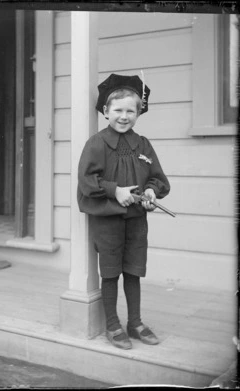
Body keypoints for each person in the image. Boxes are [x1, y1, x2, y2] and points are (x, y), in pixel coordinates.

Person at [77, 73, 170, 350]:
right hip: (108, 220)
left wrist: (151, 192)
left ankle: (136, 322)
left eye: (131, 111)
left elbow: (156, 177)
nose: (124, 116)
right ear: (106, 111)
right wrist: (115, 191)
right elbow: (86, 181)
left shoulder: (142, 144)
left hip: (136, 221)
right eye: (117, 110)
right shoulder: (96, 144)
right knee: (110, 272)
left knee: (133, 270)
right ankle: (113, 324)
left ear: (139, 113)